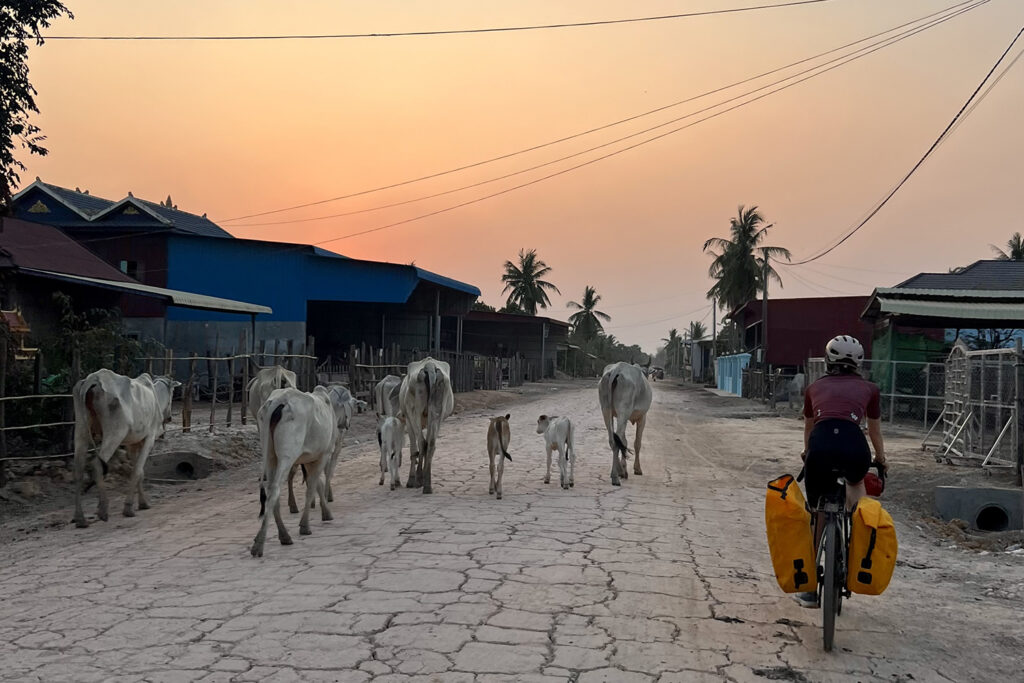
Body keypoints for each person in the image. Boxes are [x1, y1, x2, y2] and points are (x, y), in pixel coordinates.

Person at [793, 335, 888, 608]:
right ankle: (858, 552)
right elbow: (874, 430)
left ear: (828, 360)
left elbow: (810, 428)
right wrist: (881, 459)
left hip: (820, 448)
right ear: (858, 362)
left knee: (818, 511)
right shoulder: (870, 388)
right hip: (854, 448)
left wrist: (807, 451)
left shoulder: (813, 387)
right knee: (857, 491)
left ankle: (810, 588)